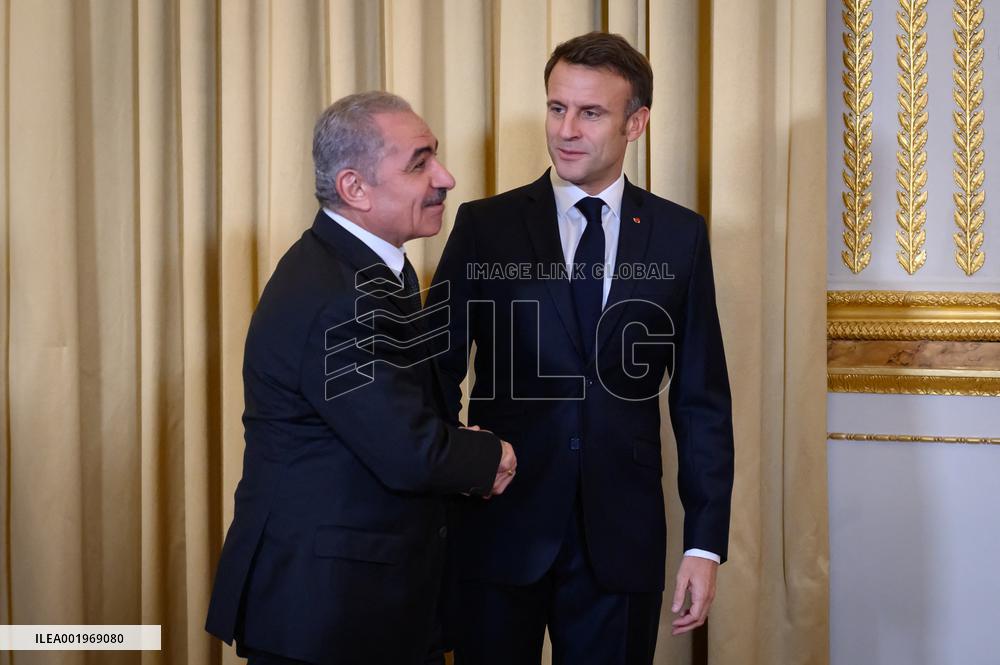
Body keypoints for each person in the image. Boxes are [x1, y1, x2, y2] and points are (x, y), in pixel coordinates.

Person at [429, 32, 734, 664]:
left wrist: (704, 545)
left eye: (591, 112)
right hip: (498, 528)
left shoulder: (680, 235)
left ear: (635, 123)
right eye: (557, 107)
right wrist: (456, 468)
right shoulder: (485, 226)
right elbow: (435, 371)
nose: (566, 130)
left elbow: (701, 399)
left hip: (621, 542)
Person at [205, 91, 517, 665]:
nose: (445, 178)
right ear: (354, 188)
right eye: (419, 163)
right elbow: (408, 451)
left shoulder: (360, 270)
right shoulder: (340, 294)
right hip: (326, 616)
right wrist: (491, 454)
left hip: (357, 605)